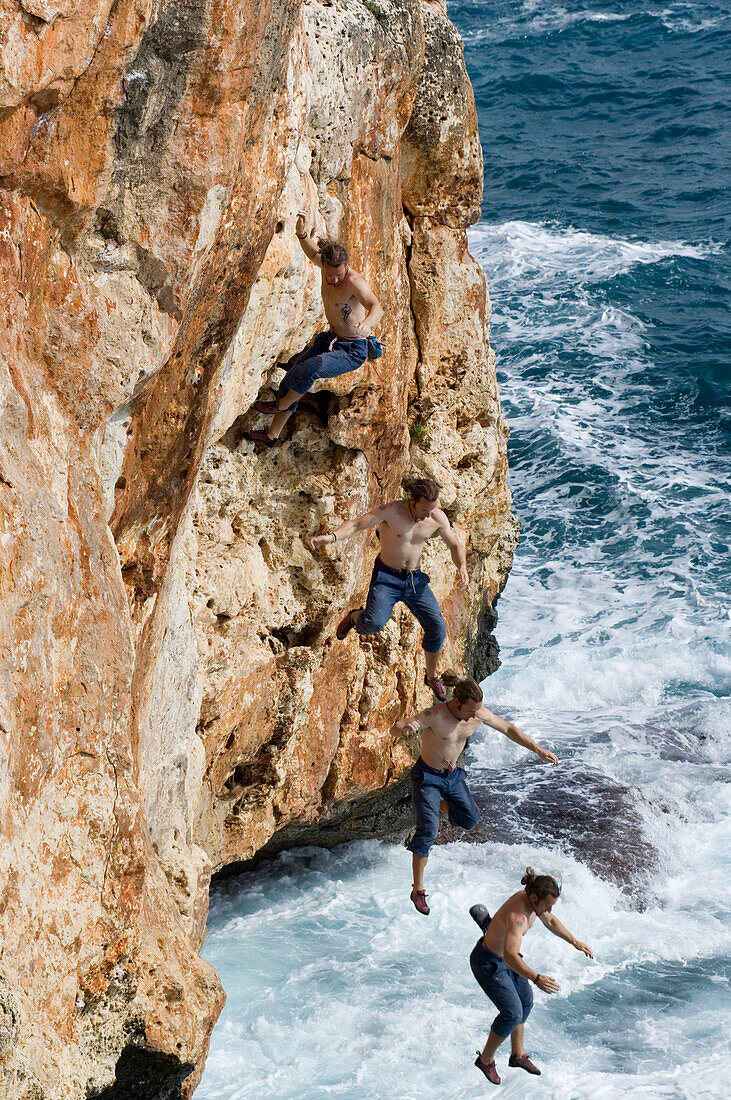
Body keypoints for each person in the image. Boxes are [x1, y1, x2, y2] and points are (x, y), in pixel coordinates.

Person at [395, 677, 558, 915]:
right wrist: (406, 728)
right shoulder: (436, 715)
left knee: (470, 820)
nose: (474, 716)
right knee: (428, 830)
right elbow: (399, 727)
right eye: (470, 710)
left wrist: (538, 749)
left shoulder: (478, 713)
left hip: (452, 777)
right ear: (456, 702)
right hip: (428, 777)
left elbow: (509, 729)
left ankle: (436, 804)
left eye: (477, 709)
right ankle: (418, 890)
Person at [310, 478, 465, 700]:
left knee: (438, 628)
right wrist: (331, 537)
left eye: (433, 509)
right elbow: (356, 524)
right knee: (372, 624)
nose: (429, 515)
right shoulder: (391, 512)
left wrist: (463, 568)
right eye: (424, 510)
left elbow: (454, 545)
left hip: (415, 580)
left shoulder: (436, 517)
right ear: (412, 500)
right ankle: (354, 618)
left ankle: (431, 677)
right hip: (387, 578)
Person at [245, 211, 384, 445]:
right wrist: (301, 233)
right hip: (330, 339)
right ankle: (271, 435)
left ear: (346, 266)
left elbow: (376, 306)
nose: (334, 280)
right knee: (291, 380)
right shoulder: (325, 266)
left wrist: (367, 325)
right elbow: (312, 252)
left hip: (353, 350)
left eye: (339, 275)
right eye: (330, 275)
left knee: (312, 368)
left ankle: (281, 404)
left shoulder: (354, 282)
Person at [469, 867, 593, 1084]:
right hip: (489, 963)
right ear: (535, 898)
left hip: (506, 955)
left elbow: (551, 921)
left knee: (526, 1002)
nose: (550, 909)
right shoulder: (518, 917)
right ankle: (486, 1060)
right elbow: (509, 956)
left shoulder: (532, 900)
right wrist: (536, 978)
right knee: (511, 1012)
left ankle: (518, 1056)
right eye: (548, 905)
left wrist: (575, 941)